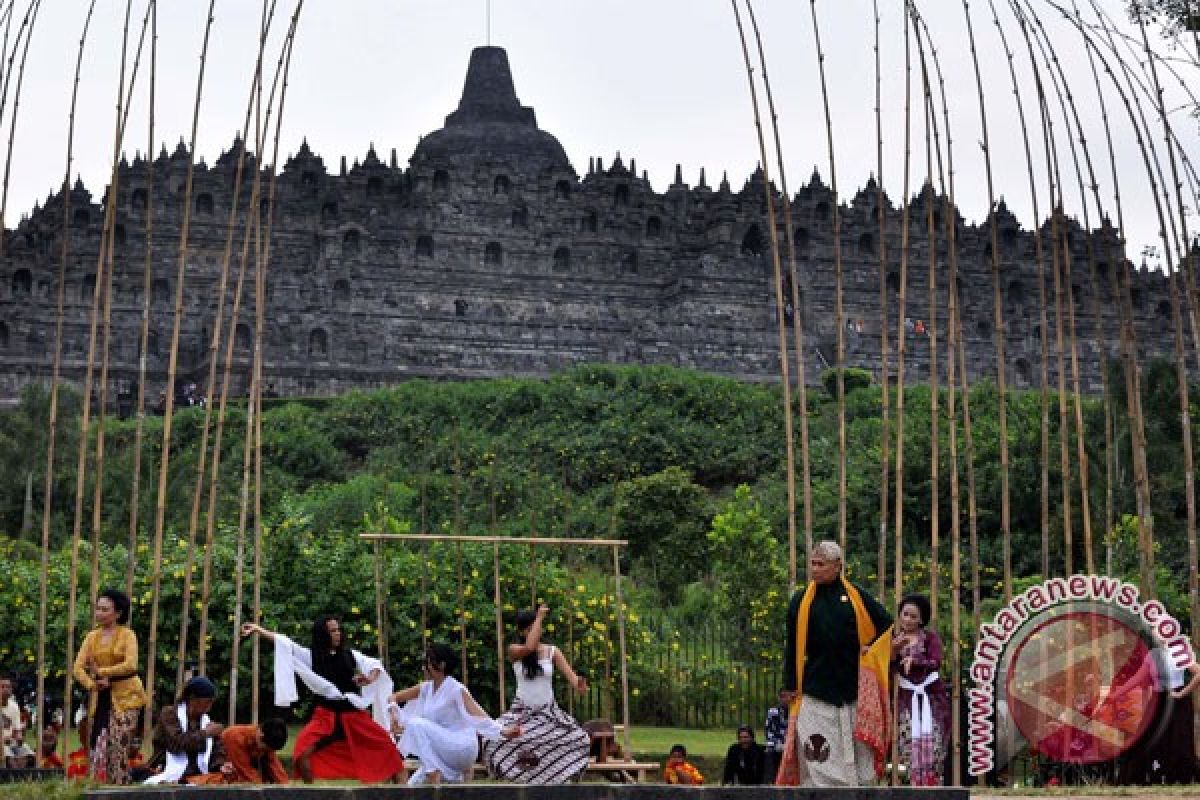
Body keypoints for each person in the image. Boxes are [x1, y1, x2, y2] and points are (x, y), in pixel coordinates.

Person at [778, 540, 892, 787]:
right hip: (816, 688)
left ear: (838, 566)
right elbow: (792, 646)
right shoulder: (800, 601)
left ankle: (857, 789)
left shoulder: (855, 596)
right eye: (812, 564)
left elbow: (886, 624)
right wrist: (788, 684)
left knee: (859, 750)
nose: (815, 569)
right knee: (816, 746)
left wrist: (871, 648)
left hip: (853, 688)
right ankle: (821, 790)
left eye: (821, 565)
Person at [242, 616, 403, 783]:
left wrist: (370, 678)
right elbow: (285, 643)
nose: (337, 634)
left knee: (389, 751)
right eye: (333, 631)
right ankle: (312, 793)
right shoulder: (310, 656)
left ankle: (402, 790)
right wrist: (258, 630)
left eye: (338, 630)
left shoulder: (349, 654)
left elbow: (374, 664)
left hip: (353, 715)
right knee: (302, 753)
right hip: (326, 716)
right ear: (322, 634)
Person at [483, 605, 591, 783]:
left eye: (537, 628)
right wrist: (539, 617)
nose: (536, 631)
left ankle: (553, 775)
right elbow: (530, 647)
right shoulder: (515, 650)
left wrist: (580, 685)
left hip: (549, 713)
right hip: (522, 713)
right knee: (493, 739)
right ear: (522, 631)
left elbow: (572, 678)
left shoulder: (552, 652)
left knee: (579, 739)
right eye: (530, 628)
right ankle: (519, 775)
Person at [389, 642, 519, 785]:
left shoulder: (456, 689)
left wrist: (503, 731)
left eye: (428, 662)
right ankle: (444, 775)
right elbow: (393, 697)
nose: (424, 667)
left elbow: (478, 714)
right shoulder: (426, 688)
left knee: (416, 724)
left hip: (461, 746)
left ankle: (433, 772)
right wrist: (394, 711)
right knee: (412, 787)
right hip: (443, 749)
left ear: (442, 665)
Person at [71, 588, 147, 783]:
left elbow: (131, 665)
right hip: (101, 697)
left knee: (118, 745)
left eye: (105, 609)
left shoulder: (128, 635)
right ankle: (100, 786)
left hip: (127, 697)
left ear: (118, 613)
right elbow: (78, 668)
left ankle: (120, 787)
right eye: (98, 609)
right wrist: (93, 684)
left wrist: (103, 673)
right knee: (98, 745)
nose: (99, 613)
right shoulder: (91, 637)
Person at [891, 593, 949, 786]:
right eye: (905, 614)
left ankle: (933, 786)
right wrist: (892, 652)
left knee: (934, 742)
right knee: (907, 741)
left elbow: (936, 662)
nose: (907, 619)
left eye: (913, 616)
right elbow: (888, 666)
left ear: (922, 619)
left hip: (931, 697)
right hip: (906, 698)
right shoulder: (894, 639)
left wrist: (915, 661)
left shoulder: (930, 639)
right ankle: (913, 785)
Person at [144, 675, 226, 784]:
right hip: (166, 768)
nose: (210, 706)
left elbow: (216, 749)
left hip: (197, 774)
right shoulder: (169, 714)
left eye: (212, 701)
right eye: (208, 701)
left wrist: (221, 765)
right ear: (192, 698)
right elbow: (176, 743)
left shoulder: (205, 720)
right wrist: (206, 733)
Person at [1, 675, 34, 768]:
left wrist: (19, 738)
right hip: (2, 744)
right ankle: (13, 774)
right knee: (6, 752)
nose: (5, 689)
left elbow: (17, 730)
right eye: (2, 687)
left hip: (11, 742)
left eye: (8, 687)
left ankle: (20, 775)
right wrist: (2, 740)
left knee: (26, 751)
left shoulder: (14, 706)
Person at [763, 689, 788, 783]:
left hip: (791, 744)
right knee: (770, 752)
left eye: (788, 696)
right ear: (779, 698)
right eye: (783, 697)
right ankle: (772, 781)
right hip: (777, 744)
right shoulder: (773, 711)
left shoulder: (796, 711)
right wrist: (778, 744)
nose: (786, 699)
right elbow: (769, 731)